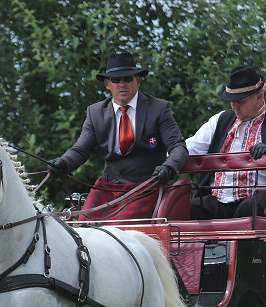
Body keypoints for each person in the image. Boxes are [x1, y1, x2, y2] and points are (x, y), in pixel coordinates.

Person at [48, 51, 189, 219]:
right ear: (108, 84)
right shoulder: (95, 112)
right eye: (116, 80)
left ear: (137, 81)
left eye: (128, 79)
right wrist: (63, 163)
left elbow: (178, 146)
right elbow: (80, 150)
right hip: (107, 187)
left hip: (145, 187)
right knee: (82, 226)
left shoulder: (159, 108)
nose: (122, 84)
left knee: (118, 230)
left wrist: (169, 167)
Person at [187, 65, 266, 220]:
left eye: (241, 101)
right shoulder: (220, 120)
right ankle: (195, 245)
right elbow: (191, 147)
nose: (235, 106)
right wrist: (168, 156)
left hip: (257, 199)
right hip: (217, 199)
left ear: (259, 96)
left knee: (250, 207)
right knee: (187, 208)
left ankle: (245, 245)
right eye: (231, 101)